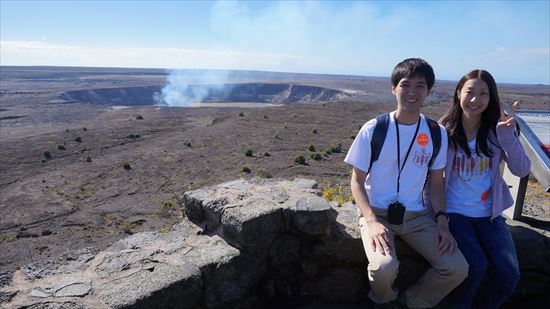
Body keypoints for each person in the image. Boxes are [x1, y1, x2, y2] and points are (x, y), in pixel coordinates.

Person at [345, 58, 468, 308]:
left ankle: (411, 302)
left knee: (457, 268)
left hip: (416, 216)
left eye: (420, 86)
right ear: (393, 88)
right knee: (384, 268)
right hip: (377, 212)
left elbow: (436, 183)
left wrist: (442, 222)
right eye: (405, 84)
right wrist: (370, 220)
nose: (412, 92)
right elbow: (356, 181)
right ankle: (384, 299)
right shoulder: (374, 129)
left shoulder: (435, 133)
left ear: (429, 92)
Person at [439, 69, 530, 309]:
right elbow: (431, 177)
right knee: (475, 266)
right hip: (455, 214)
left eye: (483, 93)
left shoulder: (498, 130)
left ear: (491, 98)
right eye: (469, 92)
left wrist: (508, 137)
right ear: (459, 93)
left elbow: (521, 170)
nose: (475, 99)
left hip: (489, 215)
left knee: (508, 274)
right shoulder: (444, 130)